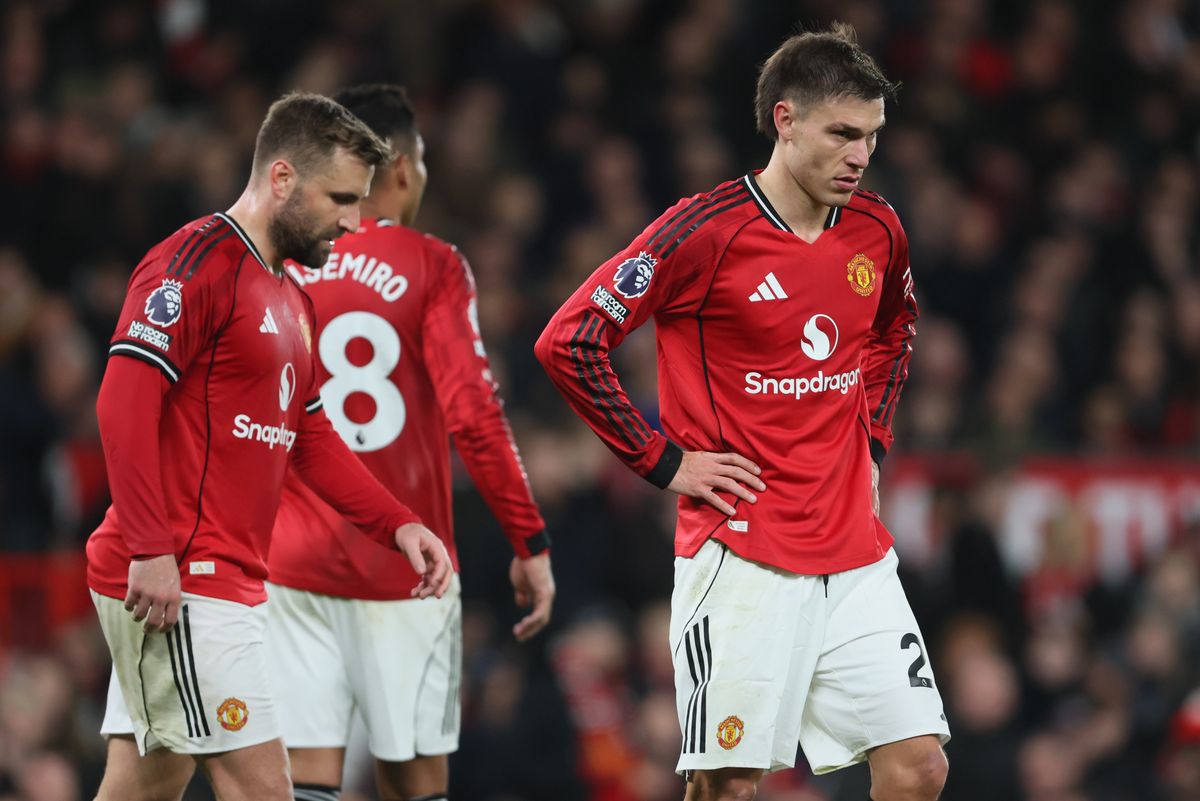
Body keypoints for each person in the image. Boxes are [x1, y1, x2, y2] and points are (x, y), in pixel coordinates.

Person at [535, 23, 950, 801]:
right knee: (728, 784)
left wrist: (872, 445)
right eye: (842, 134)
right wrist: (664, 461)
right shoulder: (704, 231)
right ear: (785, 121)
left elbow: (895, 331)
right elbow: (569, 341)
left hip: (854, 552)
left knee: (919, 764)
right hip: (743, 556)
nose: (860, 156)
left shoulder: (878, 228)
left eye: (871, 137)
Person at [86, 92, 454, 801]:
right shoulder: (195, 262)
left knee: (142, 785)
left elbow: (309, 437)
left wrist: (398, 522)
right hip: (186, 582)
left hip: (216, 582)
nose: (354, 220)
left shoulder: (293, 296)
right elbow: (123, 400)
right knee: (263, 788)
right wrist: (151, 547)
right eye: (341, 198)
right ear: (282, 178)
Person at [265, 84, 555, 801]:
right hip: (407, 566)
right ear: (398, 166)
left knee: (304, 781)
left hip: (291, 558)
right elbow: (475, 416)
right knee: (414, 781)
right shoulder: (433, 265)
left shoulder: (285, 263)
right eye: (421, 159)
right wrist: (530, 543)